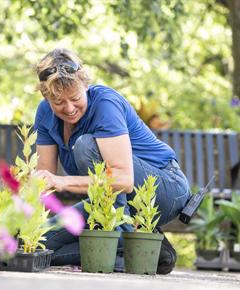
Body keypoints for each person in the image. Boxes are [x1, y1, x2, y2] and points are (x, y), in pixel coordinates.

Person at [33, 48, 191, 274]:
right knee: (39, 243)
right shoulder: (45, 114)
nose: (69, 108)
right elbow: (43, 182)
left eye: (75, 98)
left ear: (85, 85)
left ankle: (127, 237)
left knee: (86, 145)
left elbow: (124, 180)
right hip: (109, 204)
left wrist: (62, 182)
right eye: (58, 101)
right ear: (46, 97)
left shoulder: (105, 104)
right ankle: (147, 253)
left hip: (163, 190)